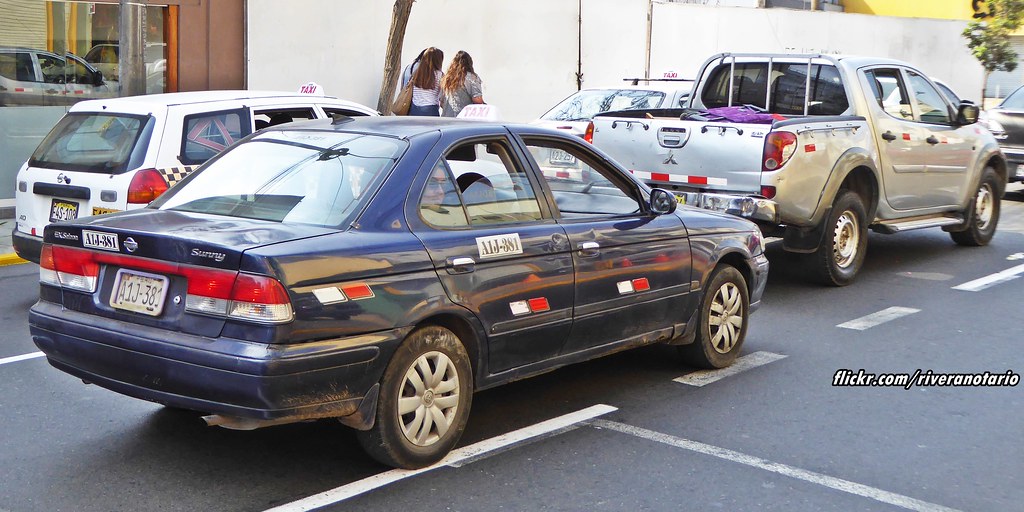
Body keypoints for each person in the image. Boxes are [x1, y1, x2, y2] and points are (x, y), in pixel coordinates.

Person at [441, 51, 485, 117]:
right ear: (469, 63)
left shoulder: (446, 78)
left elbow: (442, 102)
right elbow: (477, 99)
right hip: (463, 117)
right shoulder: (470, 77)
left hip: (447, 117)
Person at [408, 47, 444, 117]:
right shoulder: (440, 74)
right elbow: (442, 94)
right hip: (430, 109)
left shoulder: (417, 72)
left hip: (414, 108)